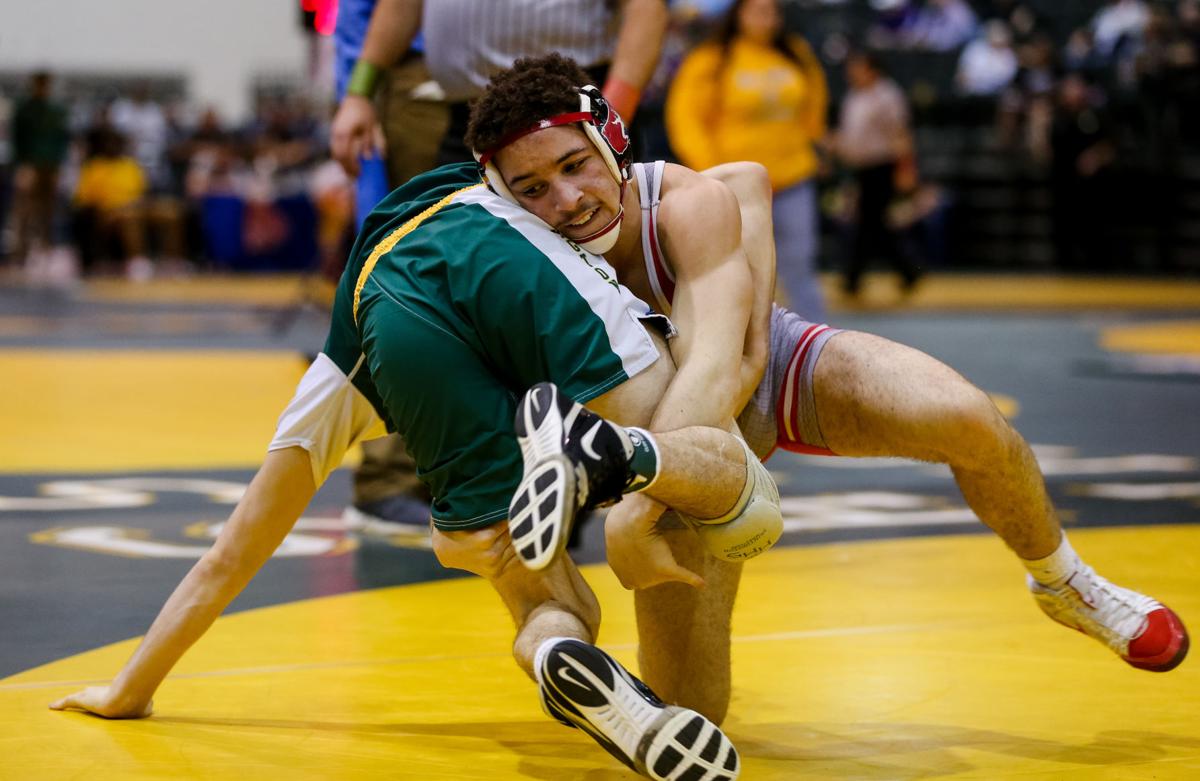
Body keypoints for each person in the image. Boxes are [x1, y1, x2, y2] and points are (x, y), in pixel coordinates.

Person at [464, 54, 1188, 688]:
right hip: (664, 443)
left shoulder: (687, 205)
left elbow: (730, 368)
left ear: (609, 142)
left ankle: (1065, 579)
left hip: (743, 387)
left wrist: (636, 503)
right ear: (501, 196)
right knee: (693, 707)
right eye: (531, 189)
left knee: (966, 415)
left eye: (574, 165)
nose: (566, 200)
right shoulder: (506, 256)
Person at [48, 158, 773, 780]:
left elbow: (233, 551)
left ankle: (561, 643)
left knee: (546, 600)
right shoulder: (492, 182)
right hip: (492, 243)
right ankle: (621, 454)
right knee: (694, 433)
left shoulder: (345, 355)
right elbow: (645, 188)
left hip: (401, 335)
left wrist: (130, 686)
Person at [330, 0, 449, 530]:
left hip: (484, 81)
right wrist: (358, 92)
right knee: (411, 277)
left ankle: (453, 472)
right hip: (419, 79)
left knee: (485, 283)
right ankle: (388, 476)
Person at [665, 0, 830, 321]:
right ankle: (742, 348)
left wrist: (813, 138)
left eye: (772, 11)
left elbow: (814, 99)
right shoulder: (711, 59)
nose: (766, 18)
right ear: (738, 15)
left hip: (793, 177)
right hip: (737, 183)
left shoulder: (795, 53)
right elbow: (685, 119)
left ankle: (814, 348)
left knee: (800, 264)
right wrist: (710, 169)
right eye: (757, 11)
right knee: (740, 271)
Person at [830, 49, 924, 297]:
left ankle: (854, 277)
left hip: (882, 166)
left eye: (857, 67)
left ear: (872, 69)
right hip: (861, 168)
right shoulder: (854, 96)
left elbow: (900, 132)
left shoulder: (887, 94)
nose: (851, 73)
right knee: (873, 223)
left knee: (870, 223)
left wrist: (905, 169)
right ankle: (906, 272)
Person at [9, 70, 69, 268]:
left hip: (50, 165)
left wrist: (59, 165)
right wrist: (21, 165)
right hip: (30, 163)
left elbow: (62, 139)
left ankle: (46, 248)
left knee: (49, 210)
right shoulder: (25, 108)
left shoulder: (57, 110)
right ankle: (21, 251)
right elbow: (17, 139)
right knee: (24, 208)